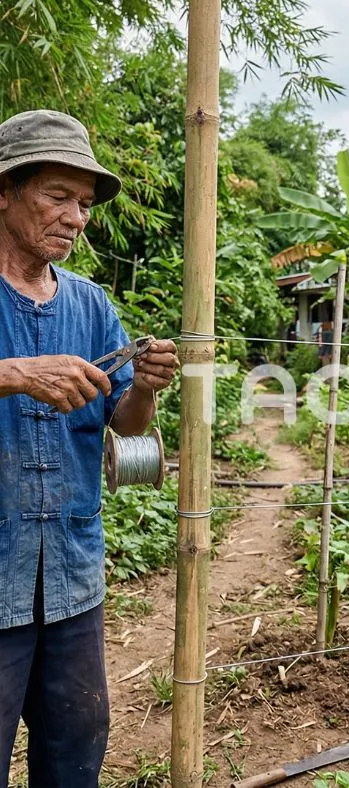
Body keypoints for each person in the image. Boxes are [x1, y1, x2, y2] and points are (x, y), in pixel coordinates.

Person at [0, 110, 179, 787]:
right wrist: (17, 373)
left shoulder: (93, 305)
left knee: (75, 751)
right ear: (4, 192)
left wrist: (149, 389)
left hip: (72, 581)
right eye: (58, 196)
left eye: (83, 204)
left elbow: (127, 428)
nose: (76, 217)